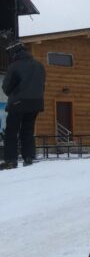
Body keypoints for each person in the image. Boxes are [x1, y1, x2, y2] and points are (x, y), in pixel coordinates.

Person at [1, 40, 45, 170]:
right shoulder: (39, 65)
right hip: (36, 103)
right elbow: (42, 85)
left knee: (11, 131)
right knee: (28, 130)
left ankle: (11, 160)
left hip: (18, 102)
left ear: (14, 52)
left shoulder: (14, 66)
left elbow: (7, 88)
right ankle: (28, 157)